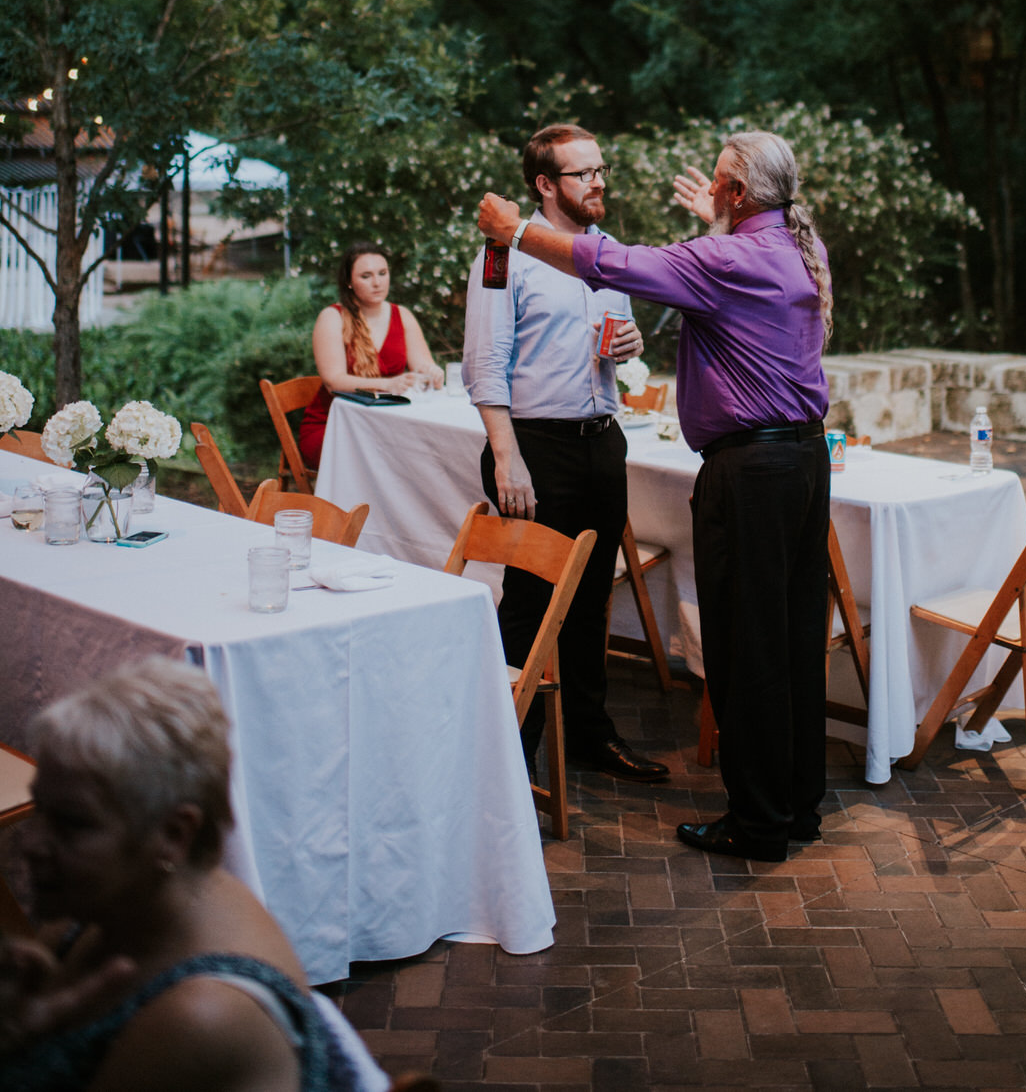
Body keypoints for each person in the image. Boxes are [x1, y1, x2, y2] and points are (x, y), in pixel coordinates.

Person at [477, 130, 832, 860]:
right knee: (794, 638)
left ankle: (758, 821)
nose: (600, 179)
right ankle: (797, 806)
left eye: (722, 183)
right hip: (804, 461)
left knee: (747, 647)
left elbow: (612, 263)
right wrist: (718, 221)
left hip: (752, 473)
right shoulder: (798, 247)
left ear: (736, 194)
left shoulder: (727, 255)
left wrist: (516, 230)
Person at [0, 656, 388, 1091]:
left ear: (174, 832)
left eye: (73, 823)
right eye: (42, 810)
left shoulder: (199, 1020)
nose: (31, 846)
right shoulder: (128, 899)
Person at [463, 123, 669, 784]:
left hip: (602, 442)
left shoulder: (607, 254)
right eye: (583, 172)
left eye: (601, 168)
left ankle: (588, 734)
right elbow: (486, 361)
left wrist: (630, 345)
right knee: (528, 600)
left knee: (591, 598)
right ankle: (505, 749)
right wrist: (507, 456)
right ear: (545, 185)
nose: (599, 180)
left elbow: (613, 344)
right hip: (535, 445)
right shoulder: (501, 255)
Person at [299, 242, 443, 472]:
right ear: (349, 281)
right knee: (391, 461)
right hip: (335, 426)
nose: (377, 283)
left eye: (382, 273)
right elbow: (333, 381)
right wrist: (388, 384)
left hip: (385, 424)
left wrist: (432, 373)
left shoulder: (402, 315)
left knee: (425, 454)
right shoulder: (332, 317)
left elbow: (423, 367)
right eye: (366, 276)